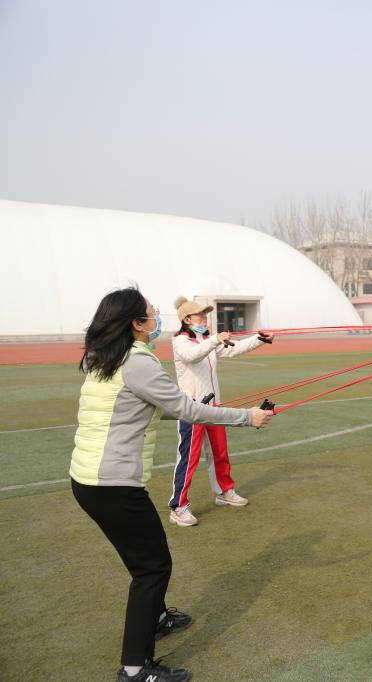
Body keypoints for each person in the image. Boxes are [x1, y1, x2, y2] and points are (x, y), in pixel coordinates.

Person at [70, 287, 273, 682]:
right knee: (153, 568)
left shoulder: (106, 357)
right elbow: (183, 408)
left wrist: (208, 409)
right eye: (151, 312)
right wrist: (246, 417)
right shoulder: (137, 361)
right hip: (112, 485)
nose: (156, 317)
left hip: (89, 480)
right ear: (135, 323)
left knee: (144, 560)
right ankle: (135, 669)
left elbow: (142, 407)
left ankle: (157, 617)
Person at [167, 296, 274, 527]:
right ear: (187, 319)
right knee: (188, 458)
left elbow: (234, 349)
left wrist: (259, 339)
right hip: (191, 409)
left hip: (213, 407)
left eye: (205, 314)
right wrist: (215, 339)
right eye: (200, 315)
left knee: (219, 452)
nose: (205, 318)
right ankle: (178, 506)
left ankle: (224, 491)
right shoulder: (180, 341)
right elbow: (192, 355)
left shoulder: (207, 340)